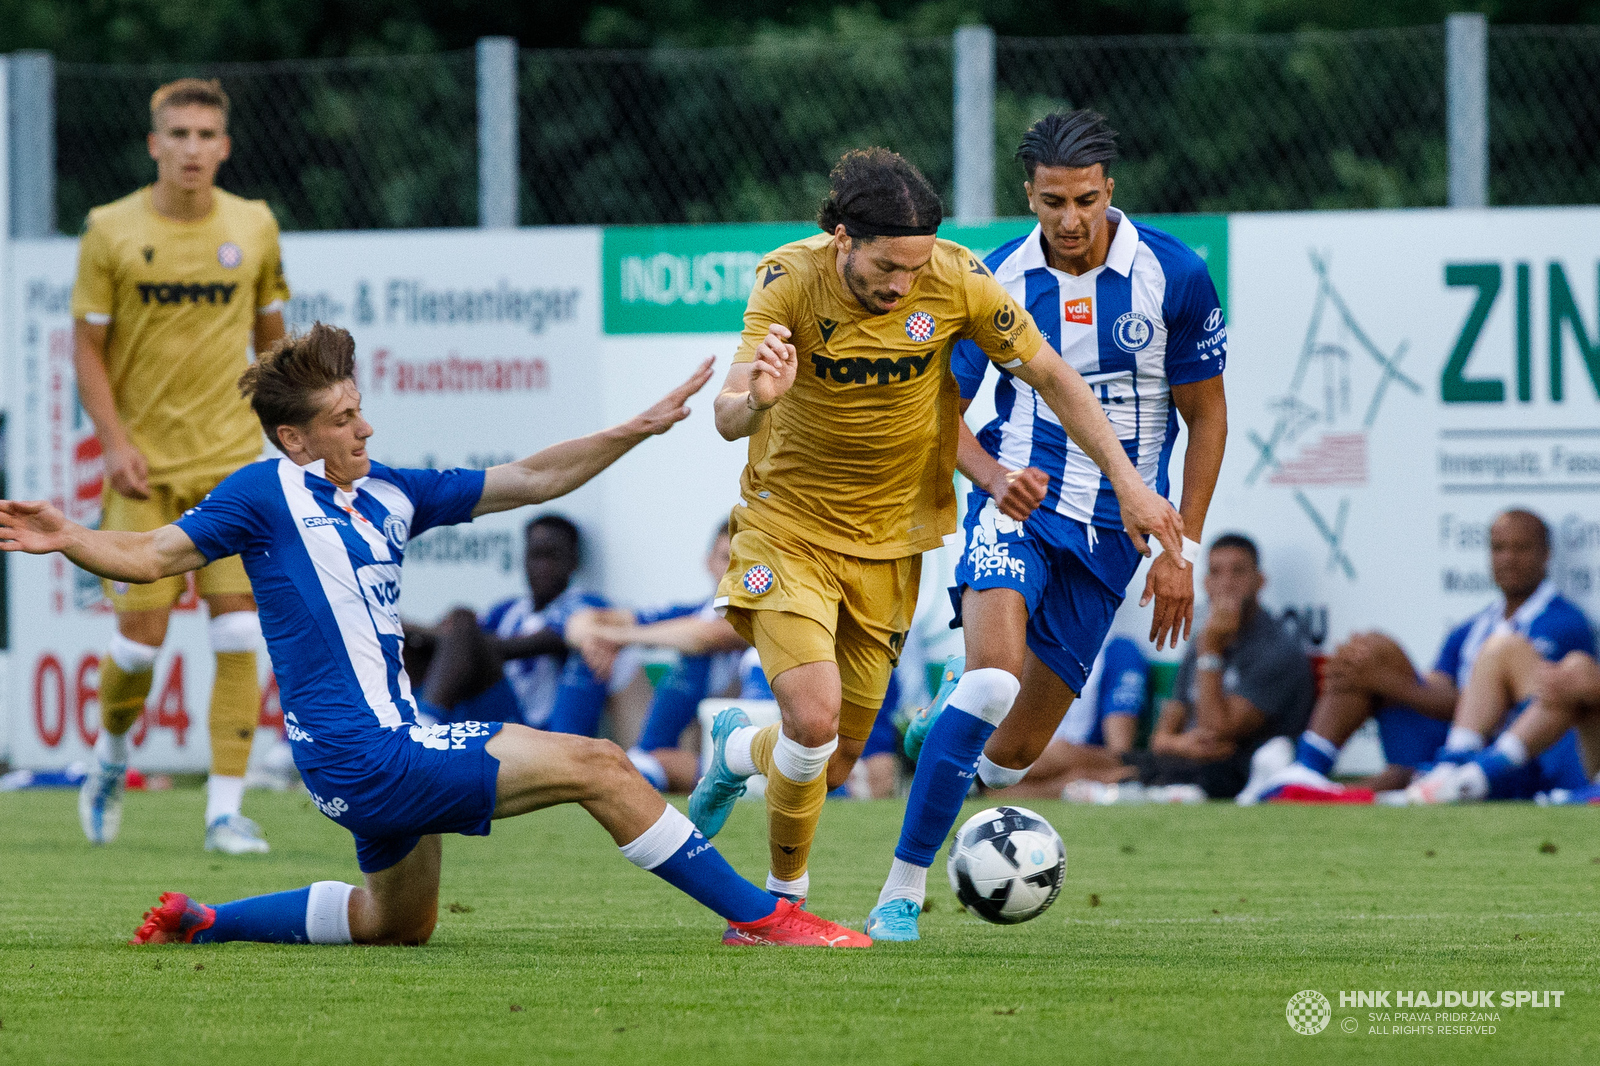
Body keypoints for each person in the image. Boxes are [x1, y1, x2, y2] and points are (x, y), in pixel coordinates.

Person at [0, 323, 868, 949]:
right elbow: (153, 553)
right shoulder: (263, 495)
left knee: (395, 925)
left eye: (360, 408)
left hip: (369, 750)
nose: (364, 427)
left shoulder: (388, 492)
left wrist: (634, 430)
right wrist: (67, 535)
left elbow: (529, 478)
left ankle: (207, 922)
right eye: (342, 419)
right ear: (296, 439)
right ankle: (765, 920)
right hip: (369, 751)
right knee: (600, 765)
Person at [688, 145, 1184, 909]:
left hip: (891, 543)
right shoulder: (787, 278)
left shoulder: (956, 278)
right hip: (785, 528)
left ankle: (733, 747)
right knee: (814, 720)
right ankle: (780, 904)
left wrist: (1129, 483)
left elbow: (1053, 375)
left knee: (841, 762)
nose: (903, 284)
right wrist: (758, 396)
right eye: (889, 266)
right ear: (845, 240)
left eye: (915, 269)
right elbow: (727, 417)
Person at [866, 110, 1227, 938]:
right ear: (1028, 196)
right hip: (1014, 508)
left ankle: (942, 727)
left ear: (1112, 190)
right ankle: (899, 886)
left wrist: (1184, 548)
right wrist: (991, 477)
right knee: (991, 679)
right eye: (1052, 202)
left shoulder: (1174, 274)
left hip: (1114, 538)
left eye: (1086, 201)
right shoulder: (990, 279)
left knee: (1007, 757)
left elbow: (1207, 419)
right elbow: (938, 411)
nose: (1070, 220)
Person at [71, 78, 290, 854]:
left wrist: (284, 434)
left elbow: (273, 342)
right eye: (179, 134)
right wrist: (115, 442)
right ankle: (110, 756)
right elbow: (86, 349)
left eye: (206, 135)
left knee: (239, 638)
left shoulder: (255, 225)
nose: (193, 148)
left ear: (224, 146)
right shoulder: (110, 230)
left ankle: (223, 810)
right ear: (154, 143)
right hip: (145, 472)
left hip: (231, 464)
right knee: (139, 644)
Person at [1238, 509, 1593, 803]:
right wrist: (1378, 673)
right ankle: (1307, 772)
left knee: (1501, 652)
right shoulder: (1473, 625)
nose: (1508, 559)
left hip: (1520, 757)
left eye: (1521, 549)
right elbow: (1445, 693)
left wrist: (1390, 682)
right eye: (1499, 548)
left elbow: (1521, 712)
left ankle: (1442, 773)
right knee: (1371, 651)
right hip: (1459, 741)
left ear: (1545, 554)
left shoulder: (1563, 623)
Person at [564, 520, 750, 792]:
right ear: (708, 562)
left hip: (738, 754)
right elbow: (578, 623)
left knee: (696, 657)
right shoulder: (693, 611)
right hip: (695, 746)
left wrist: (618, 639)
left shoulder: (760, 618)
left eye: (744, 561)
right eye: (725, 558)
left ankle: (639, 766)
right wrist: (597, 642)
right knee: (589, 658)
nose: (733, 570)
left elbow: (704, 638)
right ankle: (575, 761)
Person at [407, 515, 610, 735]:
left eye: (551, 556)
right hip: (497, 711)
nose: (542, 566)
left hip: (535, 731)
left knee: (462, 620)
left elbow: (533, 643)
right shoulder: (508, 609)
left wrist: (458, 633)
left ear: (573, 561)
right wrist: (404, 628)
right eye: (535, 556)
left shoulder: (585, 606)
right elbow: (460, 647)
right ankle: (399, 725)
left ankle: (424, 727)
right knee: (412, 645)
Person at [1402, 634, 1599, 803]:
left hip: (1575, 773)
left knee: (1579, 670)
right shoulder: (1479, 620)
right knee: (1504, 649)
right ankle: (1450, 768)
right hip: (1548, 747)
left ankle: (1469, 781)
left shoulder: (1561, 616)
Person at [980, 636, 1151, 798]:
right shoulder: (1021, 644)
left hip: (1085, 755)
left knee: (1059, 754)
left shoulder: (1119, 651)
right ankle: (977, 776)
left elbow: (1120, 751)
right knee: (1004, 768)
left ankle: (974, 775)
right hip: (1032, 760)